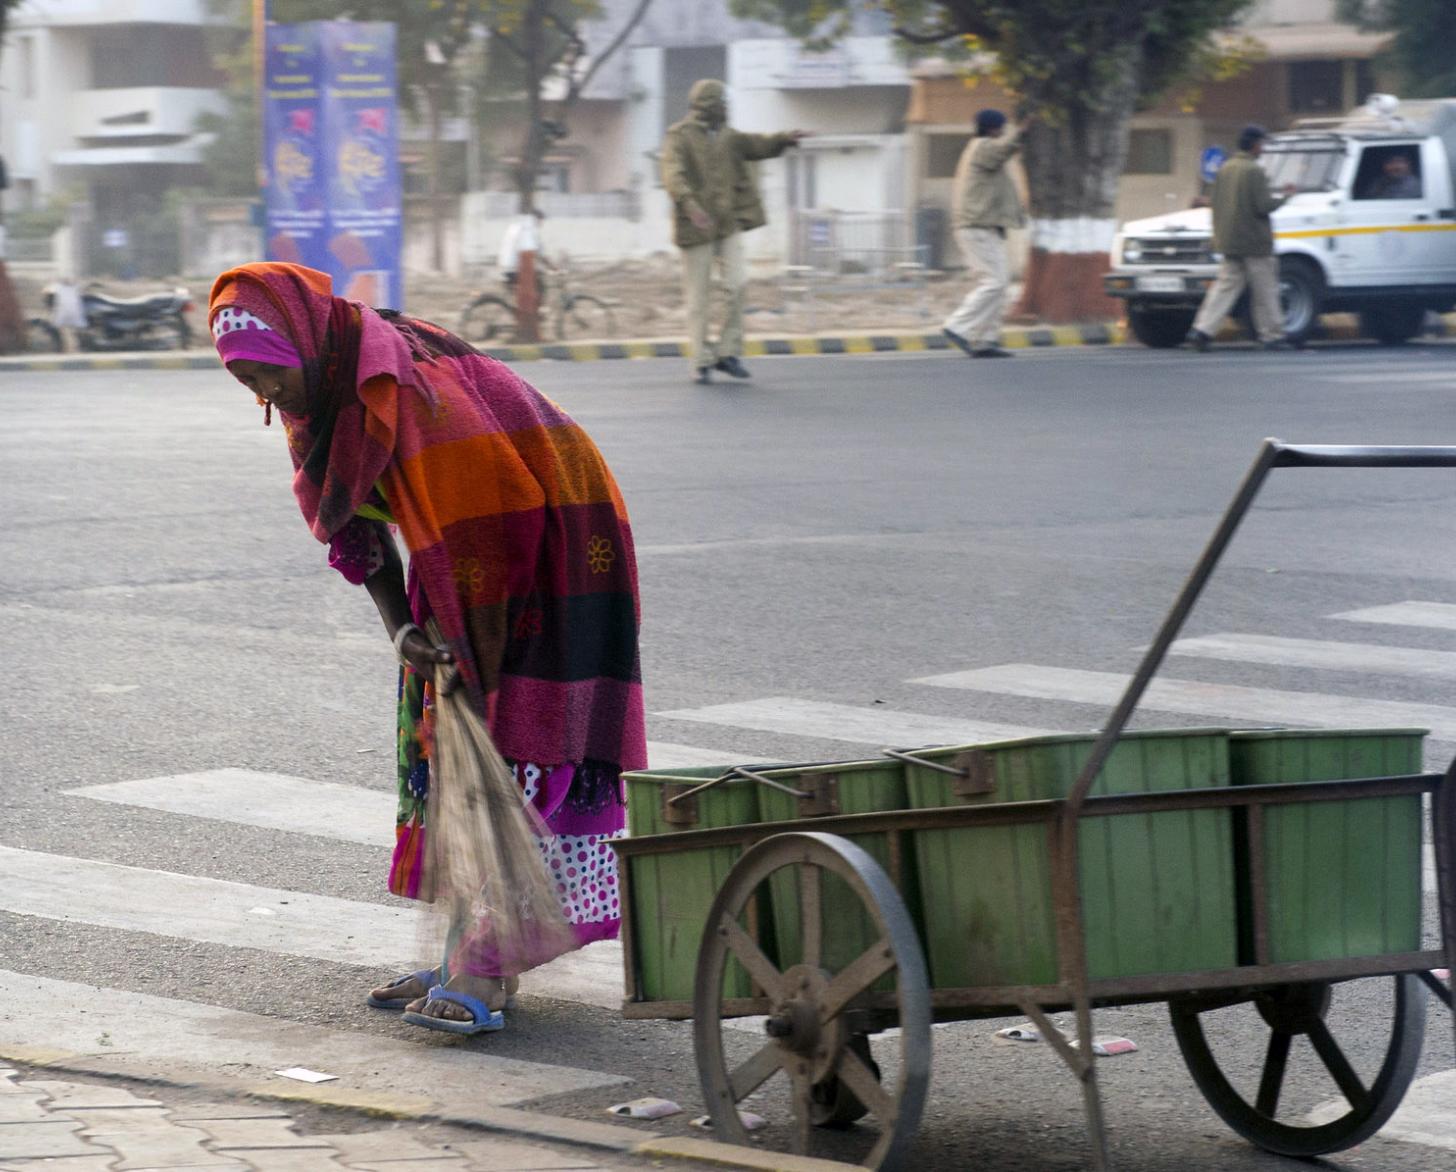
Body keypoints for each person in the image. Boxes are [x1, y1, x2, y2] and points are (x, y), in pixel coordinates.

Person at [208, 261, 646, 1035]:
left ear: (306, 345)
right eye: (248, 381)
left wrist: (470, 658)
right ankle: (462, 953)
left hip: (552, 542)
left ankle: (487, 967)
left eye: (272, 376)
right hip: (458, 555)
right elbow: (357, 525)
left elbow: (499, 512)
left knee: (513, 747)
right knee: (450, 750)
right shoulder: (319, 392)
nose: (267, 397)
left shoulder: (404, 387)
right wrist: (402, 629)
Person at [661, 79, 806, 385]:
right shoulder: (679, 136)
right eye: (723, 101)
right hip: (695, 227)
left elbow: (759, 145)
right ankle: (701, 360)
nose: (727, 106)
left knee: (737, 284)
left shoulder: (729, 138)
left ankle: (727, 353)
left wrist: (785, 139)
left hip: (726, 225)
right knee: (698, 298)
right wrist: (690, 206)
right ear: (710, 104)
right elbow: (672, 174)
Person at [1186, 125, 1299, 352]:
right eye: (1262, 144)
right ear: (1254, 144)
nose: (1263, 149)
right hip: (1255, 243)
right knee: (1265, 291)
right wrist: (1286, 197)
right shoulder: (1253, 171)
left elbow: (1214, 203)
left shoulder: (1225, 168)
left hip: (1229, 241)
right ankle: (1272, 335)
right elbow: (1263, 206)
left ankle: (1202, 331)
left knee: (1222, 290)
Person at [942, 109, 1029, 360]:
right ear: (992, 128)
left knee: (1001, 285)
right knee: (994, 282)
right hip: (976, 227)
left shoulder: (984, 148)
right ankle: (957, 326)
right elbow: (1003, 150)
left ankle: (985, 340)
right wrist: (1020, 134)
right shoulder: (982, 146)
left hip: (986, 227)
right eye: (1002, 127)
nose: (1003, 131)